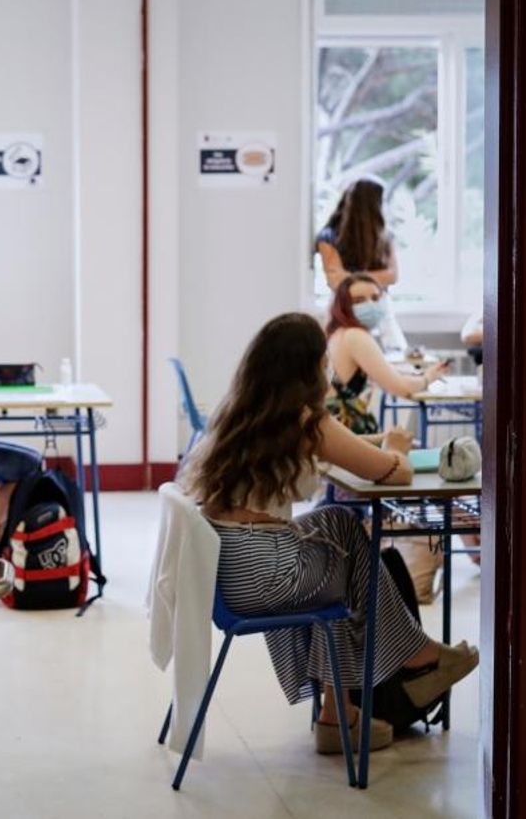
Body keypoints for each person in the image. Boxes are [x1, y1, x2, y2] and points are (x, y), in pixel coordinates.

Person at [182, 313, 478, 754]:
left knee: (340, 530)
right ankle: (413, 659)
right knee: (346, 550)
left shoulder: (241, 412)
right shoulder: (306, 422)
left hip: (230, 571)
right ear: (307, 370)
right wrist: (394, 448)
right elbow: (389, 474)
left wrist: (374, 441)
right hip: (264, 576)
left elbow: (343, 447)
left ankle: (338, 712)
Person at [325, 272, 447, 434]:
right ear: (343, 306)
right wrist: (429, 377)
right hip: (344, 429)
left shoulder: (338, 333)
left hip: (334, 427)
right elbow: (402, 388)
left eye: (375, 298)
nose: (370, 305)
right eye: (359, 301)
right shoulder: (356, 336)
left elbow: (386, 373)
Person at [317, 179, 407, 351]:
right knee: (337, 355)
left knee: (393, 352)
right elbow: (335, 281)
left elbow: (393, 276)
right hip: (343, 305)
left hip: (380, 305)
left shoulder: (384, 236)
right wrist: (375, 277)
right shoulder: (328, 236)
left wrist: (349, 277)